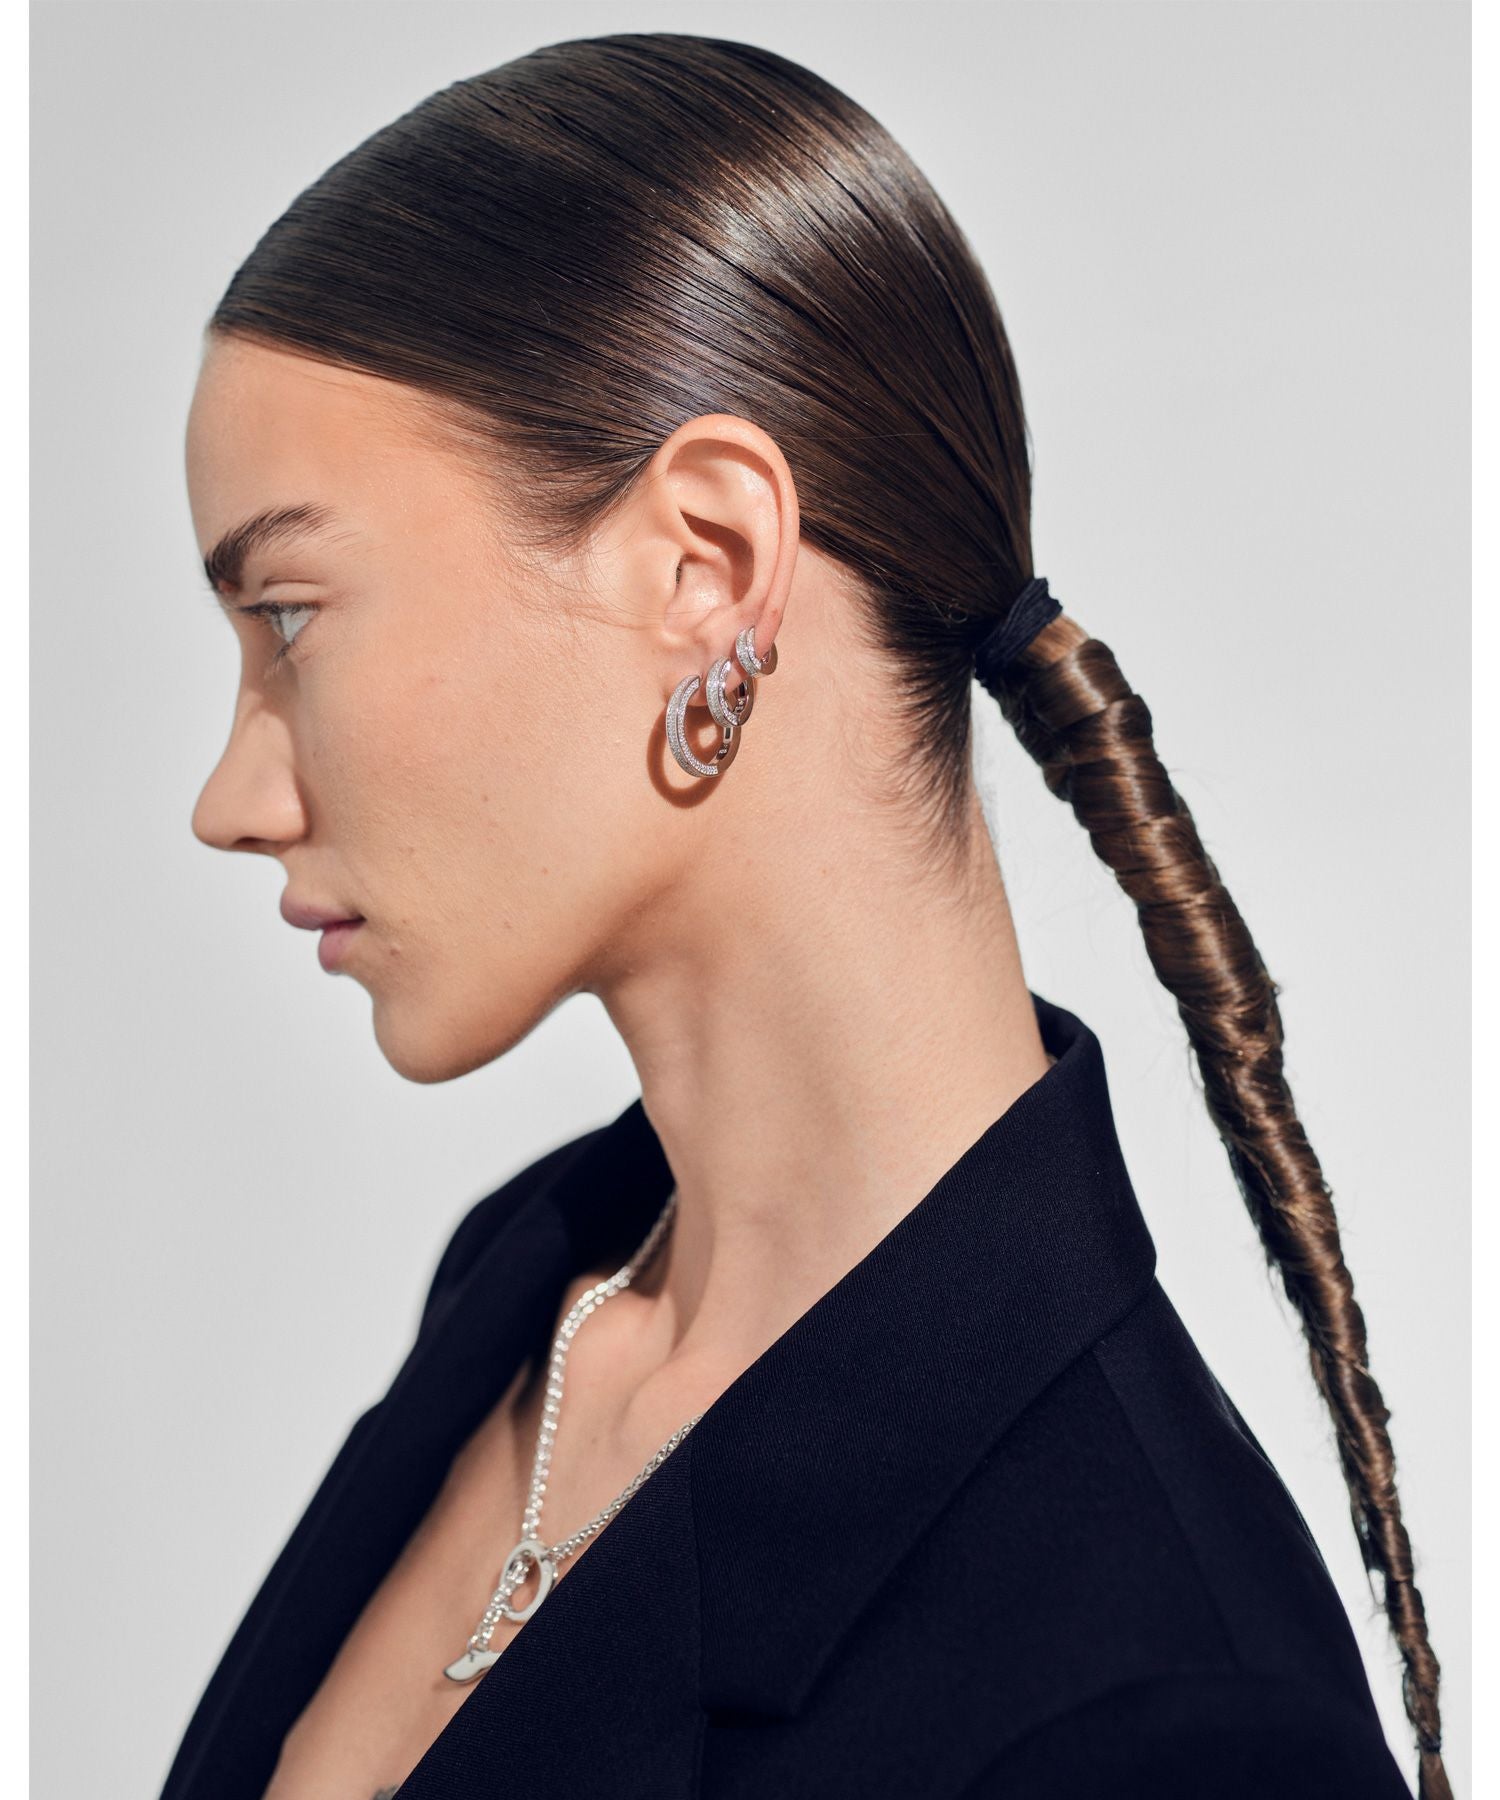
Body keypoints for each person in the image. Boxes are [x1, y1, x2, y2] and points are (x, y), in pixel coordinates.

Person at [160, 31, 1448, 1800]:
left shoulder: (1166, 1725)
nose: (231, 798)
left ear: (707, 566)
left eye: (291, 619)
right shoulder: (532, 1286)